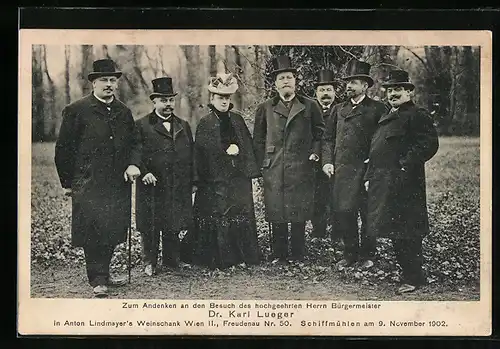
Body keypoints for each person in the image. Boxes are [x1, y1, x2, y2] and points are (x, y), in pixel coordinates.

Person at [54, 59, 141, 298]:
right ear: (93, 83)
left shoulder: (124, 112)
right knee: (93, 229)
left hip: (117, 183)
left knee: (113, 228)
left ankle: (105, 272)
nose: (109, 84)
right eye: (104, 80)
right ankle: (98, 278)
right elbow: (64, 149)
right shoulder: (77, 110)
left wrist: (134, 163)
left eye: (113, 80)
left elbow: (135, 143)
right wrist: (67, 183)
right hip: (89, 182)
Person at [363, 69, 439, 294]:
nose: (393, 93)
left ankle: (414, 277)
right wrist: (369, 176)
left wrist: (405, 165)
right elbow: (376, 149)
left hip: (407, 185)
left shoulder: (417, 115)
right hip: (385, 183)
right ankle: (409, 273)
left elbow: (428, 145)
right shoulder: (387, 116)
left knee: (409, 231)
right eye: (389, 90)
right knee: (395, 230)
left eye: (398, 89)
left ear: (408, 91)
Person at [180, 73, 261, 269]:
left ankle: (241, 255)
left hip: (237, 178)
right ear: (212, 99)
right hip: (214, 180)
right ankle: (218, 257)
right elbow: (201, 153)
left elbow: (247, 146)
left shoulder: (238, 120)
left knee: (239, 211)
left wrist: (239, 152)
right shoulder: (205, 123)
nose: (224, 101)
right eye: (220, 98)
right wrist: (223, 155)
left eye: (226, 98)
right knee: (216, 213)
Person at [253, 55, 325, 262]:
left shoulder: (310, 106)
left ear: (296, 82)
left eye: (290, 78)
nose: (286, 81)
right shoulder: (265, 108)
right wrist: (260, 166)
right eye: (282, 78)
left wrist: (315, 152)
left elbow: (321, 134)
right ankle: (279, 253)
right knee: (277, 210)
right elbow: (258, 139)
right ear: (275, 84)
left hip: (301, 166)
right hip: (274, 167)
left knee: (298, 210)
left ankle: (298, 253)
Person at [321, 59, 388, 270]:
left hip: (368, 170)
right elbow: (327, 139)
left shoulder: (378, 109)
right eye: (348, 82)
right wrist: (327, 162)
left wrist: (375, 162)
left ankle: (368, 254)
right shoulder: (339, 109)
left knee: (368, 213)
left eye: (354, 82)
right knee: (345, 212)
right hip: (342, 170)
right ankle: (349, 254)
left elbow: (384, 139)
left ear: (365, 86)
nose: (349, 86)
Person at [135, 77, 195, 276]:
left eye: (171, 100)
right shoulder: (142, 125)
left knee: (173, 221)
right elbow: (135, 153)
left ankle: (172, 261)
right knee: (151, 224)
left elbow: (192, 153)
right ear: (154, 102)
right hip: (152, 184)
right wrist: (144, 172)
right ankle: (149, 262)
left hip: (176, 183)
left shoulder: (183, 125)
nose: (168, 104)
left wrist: (193, 180)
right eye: (163, 100)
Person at [312, 69, 337, 239]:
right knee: (317, 197)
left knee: (336, 197)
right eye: (322, 90)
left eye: (328, 90)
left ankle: (337, 232)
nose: (325, 94)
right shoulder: (311, 110)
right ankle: (318, 231)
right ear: (316, 93)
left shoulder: (341, 110)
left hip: (336, 160)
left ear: (335, 92)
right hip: (314, 162)